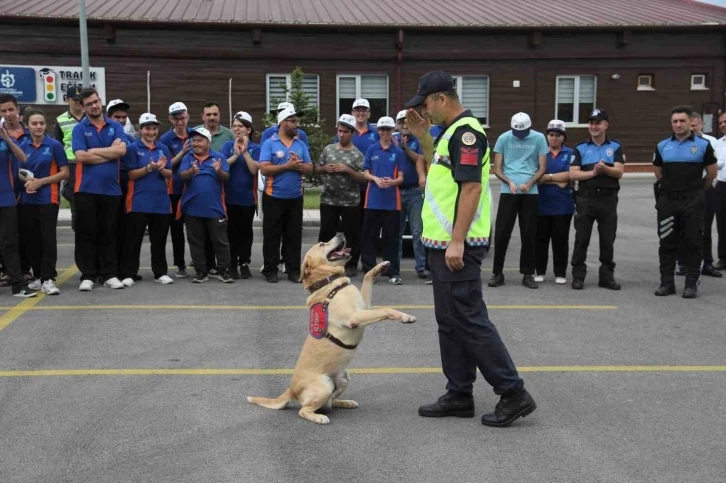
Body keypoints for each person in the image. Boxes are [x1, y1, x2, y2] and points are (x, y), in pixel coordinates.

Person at [404, 70, 535, 427]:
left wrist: (458, 240)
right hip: (442, 244)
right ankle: (459, 392)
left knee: (469, 319)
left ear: (441, 99)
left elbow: (472, 189)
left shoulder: (465, 133)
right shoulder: (447, 135)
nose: (424, 112)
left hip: (456, 245)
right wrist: (423, 139)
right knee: (449, 321)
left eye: (426, 105)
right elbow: (440, 174)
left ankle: (513, 392)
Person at [654, 106, 717, 298]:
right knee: (666, 242)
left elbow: (711, 173)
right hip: (668, 201)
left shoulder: (703, 145)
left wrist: (697, 191)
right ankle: (667, 283)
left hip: (693, 201)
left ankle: (691, 284)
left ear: (691, 122)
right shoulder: (663, 145)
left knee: (693, 242)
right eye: (675, 121)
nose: (678, 124)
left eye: (682, 121)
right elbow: (658, 172)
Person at [71, 87, 128, 291]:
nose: (94, 106)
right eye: (89, 104)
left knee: (109, 233)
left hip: (111, 189)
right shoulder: (79, 128)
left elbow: (121, 150)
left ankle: (109, 274)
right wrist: (108, 152)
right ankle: (88, 275)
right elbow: (81, 157)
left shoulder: (115, 125)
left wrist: (94, 150)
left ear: (100, 100)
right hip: (86, 188)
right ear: (82, 107)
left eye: (96, 101)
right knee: (87, 232)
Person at [488, 112, 547, 289]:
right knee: (501, 232)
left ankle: (528, 273)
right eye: (517, 133)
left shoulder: (539, 138)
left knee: (529, 233)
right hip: (509, 191)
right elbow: (497, 168)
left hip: (530, 192)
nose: (520, 136)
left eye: (523, 133)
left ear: (529, 128)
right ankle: (497, 273)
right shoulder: (504, 138)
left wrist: (530, 183)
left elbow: (542, 167)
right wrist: (509, 182)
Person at [569, 109, 624, 291]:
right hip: (585, 200)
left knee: (607, 239)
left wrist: (606, 170)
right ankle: (578, 276)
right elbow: (573, 173)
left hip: (607, 199)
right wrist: (593, 172)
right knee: (581, 238)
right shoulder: (581, 148)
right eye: (591, 123)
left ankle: (606, 277)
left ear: (605, 125)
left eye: (597, 123)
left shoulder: (615, 147)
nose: (594, 126)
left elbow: (619, 172)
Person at [258, 106, 313, 283]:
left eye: (297, 121)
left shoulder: (300, 144)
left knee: (293, 236)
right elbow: (264, 168)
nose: (297, 124)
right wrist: (287, 166)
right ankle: (270, 270)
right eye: (293, 121)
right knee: (272, 235)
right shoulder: (270, 143)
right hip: (274, 196)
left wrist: (300, 165)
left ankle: (293, 270)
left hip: (295, 197)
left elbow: (310, 168)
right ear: (282, 123)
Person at [17, 109, 69, 295]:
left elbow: (65, 172)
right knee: (32, 241)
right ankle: (38, 276)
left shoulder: (54, 145)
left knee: (48, 240)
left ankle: (49, 278)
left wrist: (41, 182)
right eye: (34, 123)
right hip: (27, 200)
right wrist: (28, 182)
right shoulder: (22, 145)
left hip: (49, 198)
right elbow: (18, 171)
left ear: (45, 125)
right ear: (27, 126)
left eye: (41, 123)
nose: (38, 127)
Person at [119, 113, 174, 286]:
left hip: (160, 202)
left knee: (159, 240)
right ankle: (130, 273)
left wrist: (161, 169)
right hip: (138, 201)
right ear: (140, 129)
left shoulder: (163, 148)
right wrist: (149, 167)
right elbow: (131, 175)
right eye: (147, 128)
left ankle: (160, 273)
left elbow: (170, 174)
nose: (151, 132)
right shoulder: (133, 148)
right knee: (133, 240)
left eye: (154, 128)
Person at [178, 127, 233, 283]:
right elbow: (182, 176)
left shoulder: (219, 157)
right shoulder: (188, 157)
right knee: (196, 242)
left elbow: (226, 178)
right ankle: (201, 272)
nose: (196, 143)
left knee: (220, 241)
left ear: (208, 142)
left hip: (215, 208)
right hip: (192, 208)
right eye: (194, 140)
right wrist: (191, 171)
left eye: (200, 140)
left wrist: (218, 170)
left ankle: (224, 270)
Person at [333, 99, 380, 274]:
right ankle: (341, 260)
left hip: (367, 188)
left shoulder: (375, 133)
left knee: (361, 229)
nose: (360, 113)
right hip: (344, 190)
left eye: (364, 110)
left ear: (369, 113)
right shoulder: (345, 131)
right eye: (357, 110)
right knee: (347, 228)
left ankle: (354, 262)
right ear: (352, 112)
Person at [316, 114, 366, 277]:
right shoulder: (328, 150)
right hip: (329, 199)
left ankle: (351, 264)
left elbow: (363, 177)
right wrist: (325, 169)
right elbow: (317, 168)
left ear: (352, 133)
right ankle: (324, 261)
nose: (342, 134)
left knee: (352, 234)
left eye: (345, 132)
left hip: (350, 201)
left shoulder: (357, 155)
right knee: (326, 233)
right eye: (340, 131)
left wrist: (348, 170)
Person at [676, 112, 723, 278]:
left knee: (705, 228)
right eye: (691, 125)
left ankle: (707, 263)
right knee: (683, 228)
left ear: (701, 124)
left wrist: (704, 186)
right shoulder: (678, 142)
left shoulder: (712, 142)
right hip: (684, 190)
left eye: (695, 125)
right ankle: (682, 263)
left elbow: (717, 165)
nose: (693, 128)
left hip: (705, 188)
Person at [361, 116, 405, 284]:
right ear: (378, 130)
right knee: (369, 237)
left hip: (392, 203)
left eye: (388, 129)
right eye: (382, 129)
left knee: (391, 239)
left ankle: (393, 273)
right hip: (372, 200)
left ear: (392, 130)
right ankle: (369, 272)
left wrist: (391, 182)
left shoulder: (398, 152)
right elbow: (365, 173)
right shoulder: (372, 149)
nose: (385, 132)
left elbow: (401, 177)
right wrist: (375, 179)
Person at [0, 117, 37, 298]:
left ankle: (18, 286)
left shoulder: (5, 139)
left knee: (10, 244)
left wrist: (6, 138)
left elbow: (23, 158)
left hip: (6, 199)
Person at [221, 111, 260, 280]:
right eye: (234, 126)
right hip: (229, 197)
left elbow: (254, 170)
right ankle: (232, 264)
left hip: (247, 198)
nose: (236, 129)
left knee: (245, 232)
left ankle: (244, 262)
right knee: (230, 232)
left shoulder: (256, 148)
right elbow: (222, 167)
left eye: (240, 126)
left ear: (248, 129)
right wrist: (235, 155)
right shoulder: (227, 145)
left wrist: (245, 152)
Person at [535, 120, 574, 285]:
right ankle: (540, 271)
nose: (554, 138)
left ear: (563, 137)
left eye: (558, 135)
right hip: (541, 204)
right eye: (551, 135)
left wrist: (548, 177)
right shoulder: (540, 153)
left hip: (562, 205)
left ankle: (560, 272)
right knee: (540, 240)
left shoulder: (571, 153)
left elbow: (569, 177)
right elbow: (536, 177)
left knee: (560, 240)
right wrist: (557, 179)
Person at [159, 101, 193, 278]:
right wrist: (182, 153)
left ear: (188, 117)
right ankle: (180, 264)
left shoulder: (195, 134)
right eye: (177, 119)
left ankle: (200, 262)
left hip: (193, 189)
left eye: (183, 118)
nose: (181, 122)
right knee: (177, 230)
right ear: (170, 119)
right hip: (174, 190)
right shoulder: (165, 139)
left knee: (196, 229)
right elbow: (165, 165)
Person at [107, 99, 137, 281]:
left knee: (127, 232)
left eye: (124, 117)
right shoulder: (102, 138)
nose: (121, 120)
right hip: (107, 190)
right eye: (117, 117)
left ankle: (126, 270)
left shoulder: (132, 142)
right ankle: (108, 270)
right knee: (109, 231)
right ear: (109, 117)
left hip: (127, 192)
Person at [55, 85, 85, 231]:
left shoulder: (91, 117)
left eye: (80, 100)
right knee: (74, 198)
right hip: (71, 165)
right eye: (75, 100)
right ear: (67, 100)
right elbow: (59, 145)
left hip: (90, 163)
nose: (78, 103)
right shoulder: (60, 120)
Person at [714, 112, 726, 271]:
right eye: (721, 122)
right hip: (722, 185)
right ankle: (723, 257)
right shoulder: (718, 143)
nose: (723, 124)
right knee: (722, 223)